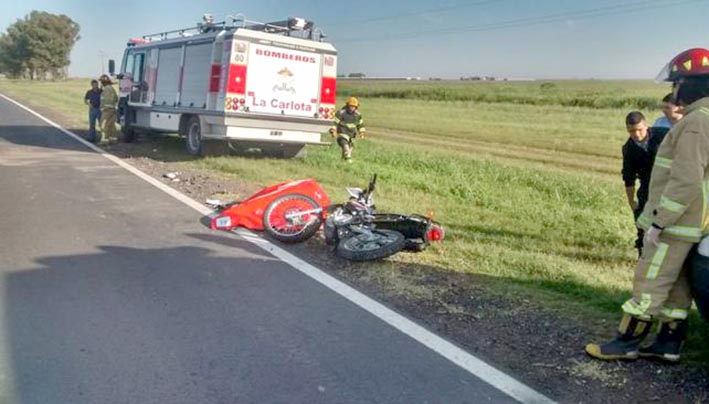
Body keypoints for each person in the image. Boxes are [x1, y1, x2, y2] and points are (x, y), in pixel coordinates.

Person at [586, 47, 709, 363]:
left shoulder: (696, 122)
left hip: (675, 223)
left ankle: (626, 343)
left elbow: (685, 179)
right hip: (691, 222)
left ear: (694, 83)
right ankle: (668, 344)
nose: (673, 91)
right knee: (676, 285)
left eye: (678, 83)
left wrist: (659, 222)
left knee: (650, 280)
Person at [621, 111, 668, 256]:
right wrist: (631, 202)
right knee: (642, 222)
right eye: (632, 131)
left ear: (646, 126)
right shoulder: (628, 149)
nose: (636, 134)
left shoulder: (663, 134)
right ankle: (644, 255)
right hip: (647, 187)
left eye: (639, 129)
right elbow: (628, 177)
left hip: (669, 183)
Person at [329, 97, 366, 162]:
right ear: (347, 105)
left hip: (352, 135)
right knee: (345, 147)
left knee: (349, 148)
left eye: (354, 106)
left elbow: (360, 124)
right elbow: (335, 122)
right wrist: (333, 130)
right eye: (351, 106)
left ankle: (343, 161)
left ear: (356, 107)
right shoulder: (341, 113)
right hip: (342, 133)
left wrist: (361, 132)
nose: (352, 108)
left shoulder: (358, 115)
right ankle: (348, 159)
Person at [99, 74, 118, 144]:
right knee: (111, 125)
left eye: (102, 81)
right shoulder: (112, 89)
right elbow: (116, 99)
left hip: (107, 110)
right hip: (113, 110)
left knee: (103, 124)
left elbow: (107, 100)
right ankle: (113, 139)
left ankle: (104, 140)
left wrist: (105, 107)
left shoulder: (106, 89)